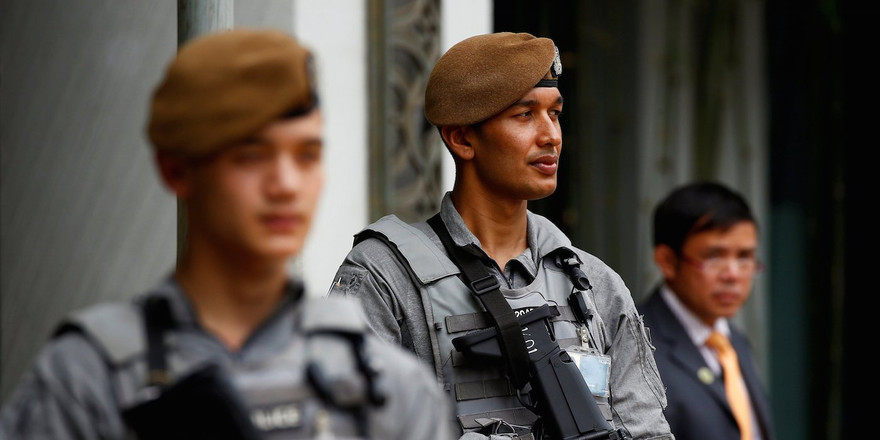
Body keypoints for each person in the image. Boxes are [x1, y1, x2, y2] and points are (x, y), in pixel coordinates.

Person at [0, 28, 452, 440]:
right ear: (176, 169)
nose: (286, 185)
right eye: (251, 155)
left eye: (307, 155)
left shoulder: (386, 386)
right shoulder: (86, 383)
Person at [327, 32, 673, 440]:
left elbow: (648, 431)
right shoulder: (384, 277)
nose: (551, 136)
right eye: (525, 115)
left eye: (555, 114)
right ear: (461, 138)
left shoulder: (595, 284)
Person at [637, 181, 775, 440]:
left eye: (745, 257)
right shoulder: (637, 347)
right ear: (667, 261)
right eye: (713, 257)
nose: (733, 275)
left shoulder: (732, 340)